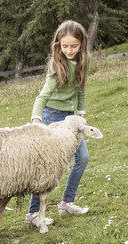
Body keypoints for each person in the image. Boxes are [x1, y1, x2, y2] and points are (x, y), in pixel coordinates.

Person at [26, 20, 92, 228]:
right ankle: (33, 213)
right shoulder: (56, 64)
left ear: (81, 44)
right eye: (64, 46)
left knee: (82, 157)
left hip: (71, 119)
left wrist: (81, 113)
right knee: (47, 167)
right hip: (50, 116)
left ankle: (66, 202)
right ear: (58, 44)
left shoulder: (85, 60)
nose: (69, 50)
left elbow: (81, 88)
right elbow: (43, 96)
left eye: (73, 46)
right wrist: (37, 120)